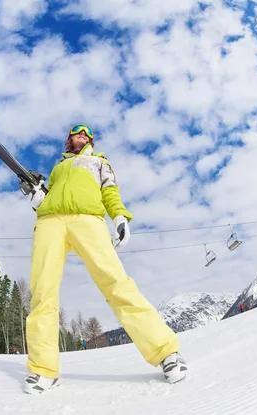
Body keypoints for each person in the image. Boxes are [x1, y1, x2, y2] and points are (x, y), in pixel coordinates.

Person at [19, 124, 187, 395]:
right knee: (42, 293)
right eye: (77, 132)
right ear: (69, 139)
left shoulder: (99, 162)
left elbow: (110, 192)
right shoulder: (58, 168)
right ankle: (43, 369)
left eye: (87, 134)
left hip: (88, 220)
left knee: (116, 282)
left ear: (91, 142)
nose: (82, 135)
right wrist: (36, 196)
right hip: (50, 222)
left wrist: (119, 217)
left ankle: (166, 352)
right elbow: (45, 200)